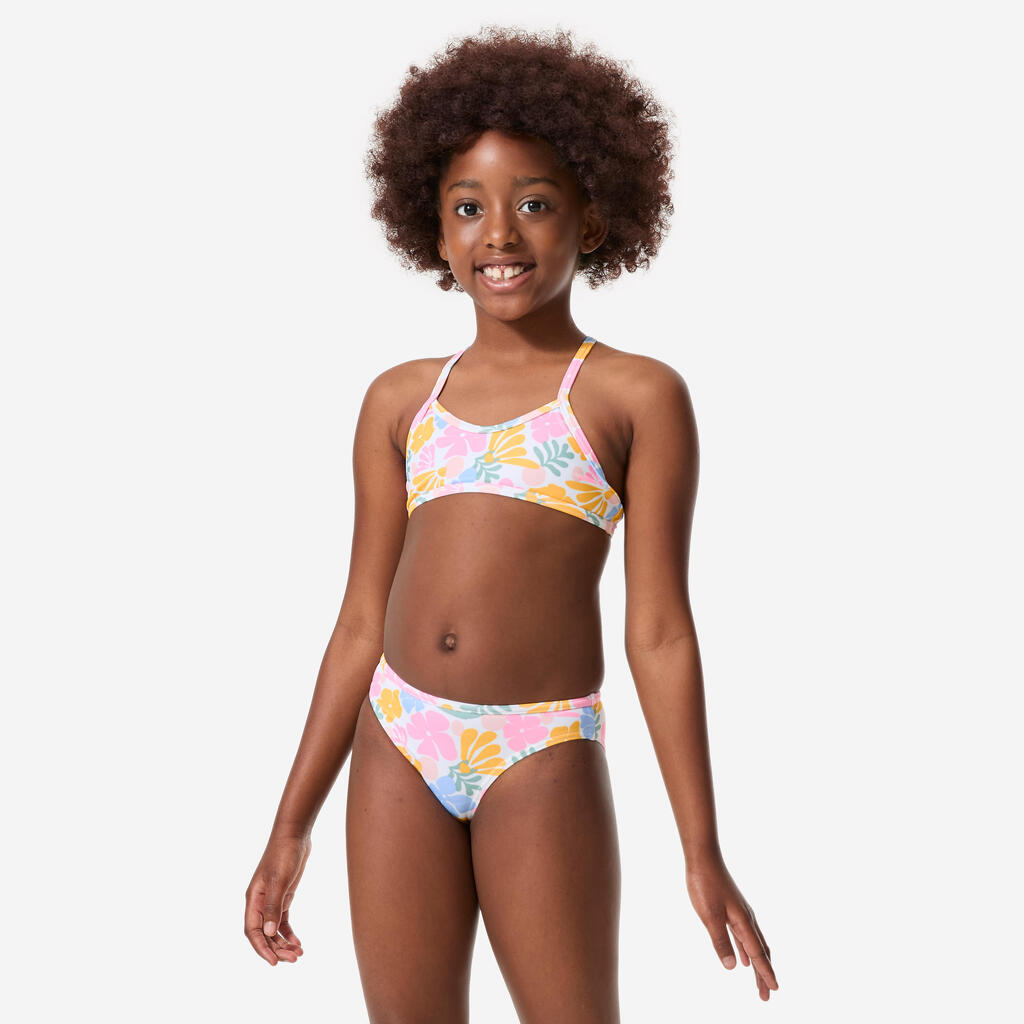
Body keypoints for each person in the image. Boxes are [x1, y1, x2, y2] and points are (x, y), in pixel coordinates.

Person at [244, 25, 779, 1020]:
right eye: (468, 207)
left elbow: (660, 629)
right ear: (435, 231)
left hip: (538, 748)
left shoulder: (633, 395)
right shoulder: (401, 399)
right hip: (397, 736)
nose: (499, 234)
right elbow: (360, 621)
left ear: (594, 215)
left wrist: (700, 848)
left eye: (533, 203)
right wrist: (290, 824)